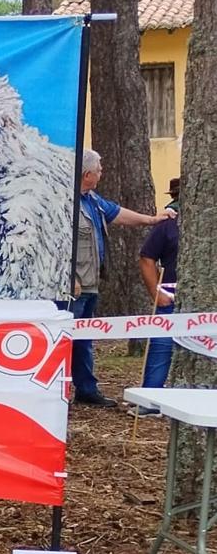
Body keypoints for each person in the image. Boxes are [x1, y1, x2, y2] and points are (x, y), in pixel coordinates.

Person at [69, 149, 177, 408]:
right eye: (100, 169)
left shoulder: (92, 200)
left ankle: (86, 389)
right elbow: (56, 242)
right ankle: (56, 390)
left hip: (90, 283)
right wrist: (68, 275)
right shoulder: (65, 202)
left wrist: (152, 219)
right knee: (65, 339)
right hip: (72, 286)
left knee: (84, 339)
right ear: (87, 174)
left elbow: (118, 214)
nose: (102, 172)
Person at [131, 176, 181, 416]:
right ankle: (150, 399)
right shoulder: (167, 224)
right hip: (171, 296)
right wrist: (156, 293)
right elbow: (146, 257)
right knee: (162, 346)